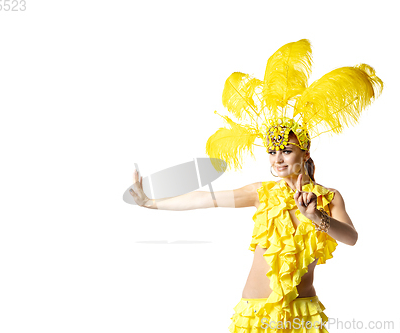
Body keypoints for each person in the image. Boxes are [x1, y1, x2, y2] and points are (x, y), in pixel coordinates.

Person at [129, 39, 383, 332]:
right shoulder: (260, 192)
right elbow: (205, 199)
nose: (278, 159)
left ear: (305, 153)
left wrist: (316, 217)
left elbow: (351, 238)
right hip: (255, 314)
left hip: (302, 313)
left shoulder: (329, 197)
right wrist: (151, 203)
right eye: (272, 152)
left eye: (286, 151)